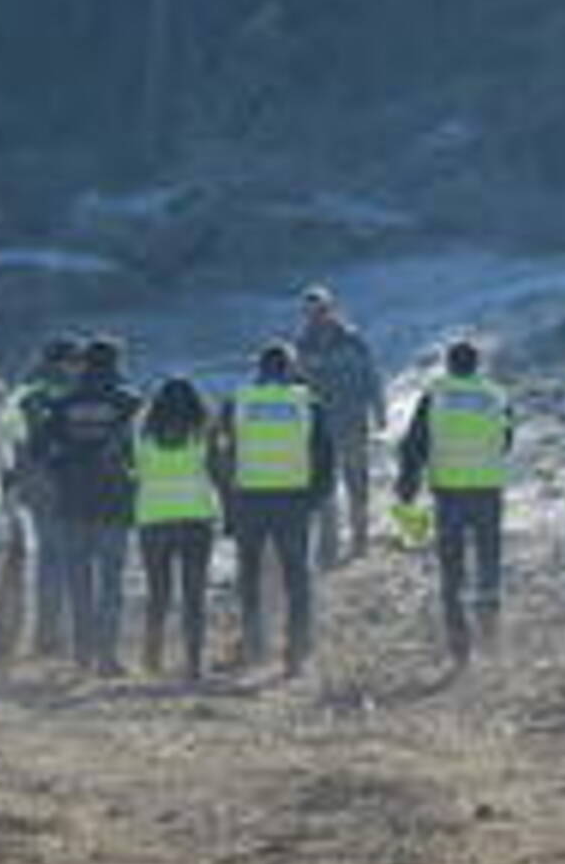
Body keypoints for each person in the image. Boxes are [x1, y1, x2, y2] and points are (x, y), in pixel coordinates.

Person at [395, 339, 513, 665]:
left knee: (452, 570)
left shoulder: (436, 395)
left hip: (449, 493)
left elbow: (414, 444)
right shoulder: (496, 395)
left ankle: (460, 646)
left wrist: (407, 486)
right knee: (488, 562)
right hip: (488, 490)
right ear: (477, 365)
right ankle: (490, 635)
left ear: (448, 365)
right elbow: (506, 442)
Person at [29, 335, 141, 676]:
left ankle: (82, 655)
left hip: (71, 503)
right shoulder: (129, 402)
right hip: (114, 505)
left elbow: (37, 450)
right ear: (116, 364)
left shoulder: (63, 403)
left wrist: (61, 469)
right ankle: (107, 656)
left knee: (79, 585)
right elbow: (139, 451)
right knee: (111, 585)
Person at [222, 341, 333, 676]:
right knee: (297, 577)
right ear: (289, 369)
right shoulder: (308, 404)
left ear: (259, 369)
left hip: (249, 500)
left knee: (250, 576)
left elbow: (221, 453)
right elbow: (325, 456)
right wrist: (315, 498)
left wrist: (229, 496)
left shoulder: (237, 402)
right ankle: (296, 651)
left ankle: (255, 644)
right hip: (293, 501)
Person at [132, 375, 224, 678]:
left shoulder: (142, 433)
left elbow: (134, 469)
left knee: (158, 594)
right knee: (194, 594)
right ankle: (194, 662)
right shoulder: (203, 432)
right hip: (196, 519)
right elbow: (218, 470)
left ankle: (151, 659)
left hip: (152, 519)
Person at [294, 285, 385, 569]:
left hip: (353, 421)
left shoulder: (353, 340)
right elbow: (296, 386)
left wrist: (379, 410)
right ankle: (328, 549)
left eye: (320, 310)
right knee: (324, 489)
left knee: (357, 483)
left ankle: (360, 541)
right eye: (310, 312)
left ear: (332, 310)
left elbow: (372, 376)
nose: (316, 317)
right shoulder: (301, 345)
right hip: (319, 428)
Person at [3, 336, 82, 657]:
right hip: (63, 481)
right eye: (75, 361)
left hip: (33, 482)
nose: (79, 367)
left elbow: (8, 436)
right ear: (63, 362)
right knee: (63, 559)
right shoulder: (67, 394)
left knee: (49, 558)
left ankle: (45, 632)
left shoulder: (22, 393)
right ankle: (56, 636)